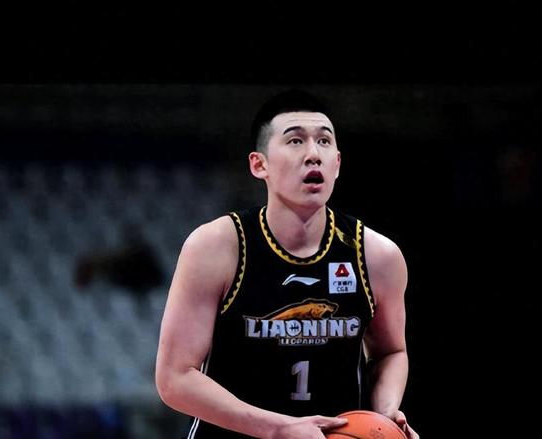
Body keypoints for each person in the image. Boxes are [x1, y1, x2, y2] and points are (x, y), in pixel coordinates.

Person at [155, 90, 419, 439]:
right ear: (259, 164)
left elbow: (391, 352)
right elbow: (174, 379)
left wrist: (384, 416)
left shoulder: (377, 255)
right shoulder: (216, 247)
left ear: (337, 164)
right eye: (295, 141)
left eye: (324, 141)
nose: (313, 154)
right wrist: (279, 428)